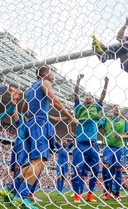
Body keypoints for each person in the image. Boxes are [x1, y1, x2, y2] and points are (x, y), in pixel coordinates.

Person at [12, 66, 77, 209]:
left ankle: (10, 190)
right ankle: (23, 196)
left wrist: (33, 117)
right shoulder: (44, 83)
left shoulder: (30, 90)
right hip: (39, 126)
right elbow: (55, 101)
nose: (53, 77)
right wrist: (71, 117)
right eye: (51, 74)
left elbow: (24, 110)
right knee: (39, 161)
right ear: (45, 74)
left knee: (31, 163)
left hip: (30, 125)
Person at [72, 73, 109, 203]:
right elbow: (75, 94)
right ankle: (77, 195)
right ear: (84, 100)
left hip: (93, 143)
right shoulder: (79, 107)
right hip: (81, 143)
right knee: (78, 168)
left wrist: (105, 84)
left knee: (95, 170)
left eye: (91, 97)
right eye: (86, 97)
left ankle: (90, 194)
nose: (88, 98)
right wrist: (78, 80)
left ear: (93, 101)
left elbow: (102, 97)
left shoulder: (95, 108)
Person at [98, 104, 128, 201]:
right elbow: (98, 125)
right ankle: (107, 189)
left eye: (118, 108)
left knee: (118, 170)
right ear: (112, 110)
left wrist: (121, 136)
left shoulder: (124, 122)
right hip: (108, 147)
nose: (117, 109)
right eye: (115, 107)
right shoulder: (107, 119)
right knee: (106, 166)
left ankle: (117, 193)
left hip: (119, 148)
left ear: (120, 111)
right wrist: (99, 119)